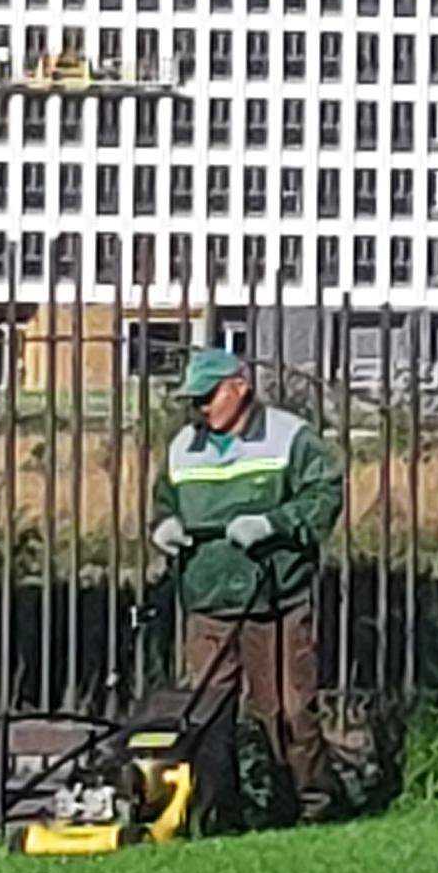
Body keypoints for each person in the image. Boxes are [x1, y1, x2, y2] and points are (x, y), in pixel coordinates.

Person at [151, 343, 345, 825]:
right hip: (207, 596)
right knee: (208, 713)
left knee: (285, 710)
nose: (200, 408)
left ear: (240, 388)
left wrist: (275, 523)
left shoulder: (290, 437)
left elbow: (325, 495)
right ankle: (219, 813)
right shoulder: (183, 446)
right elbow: (164, 501)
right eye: (194, 400)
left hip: (274, 597)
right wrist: (163, 525)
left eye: (208, 396)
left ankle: (308, 808)